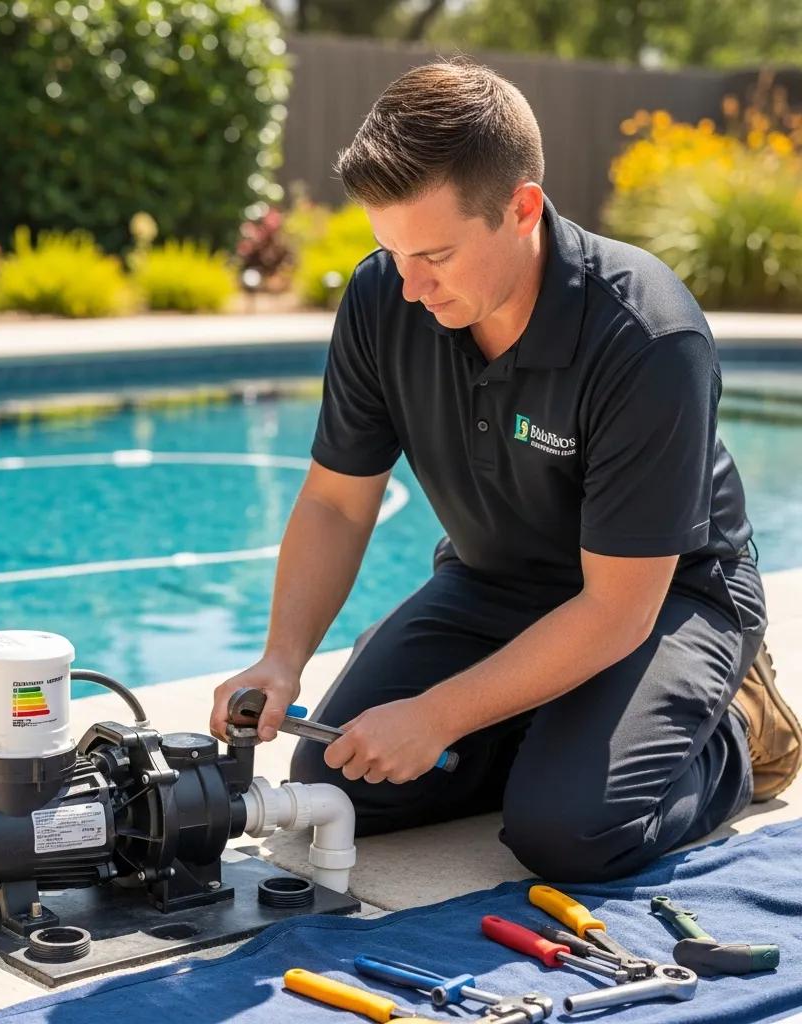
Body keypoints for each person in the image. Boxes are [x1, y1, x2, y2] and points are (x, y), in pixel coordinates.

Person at [209, 58, 801, 881]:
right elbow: (339, 505)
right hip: (491, 584)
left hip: (664, 598)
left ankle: (735, 726)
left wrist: (441, 712)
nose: (410, 287)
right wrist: (282, 658)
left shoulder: (648, 336)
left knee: (568, 832)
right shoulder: (384, 299)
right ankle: (555, 729)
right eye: (392, 251)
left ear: (521, 209)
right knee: (339, 780)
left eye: (437, 255)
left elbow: (617, 610)